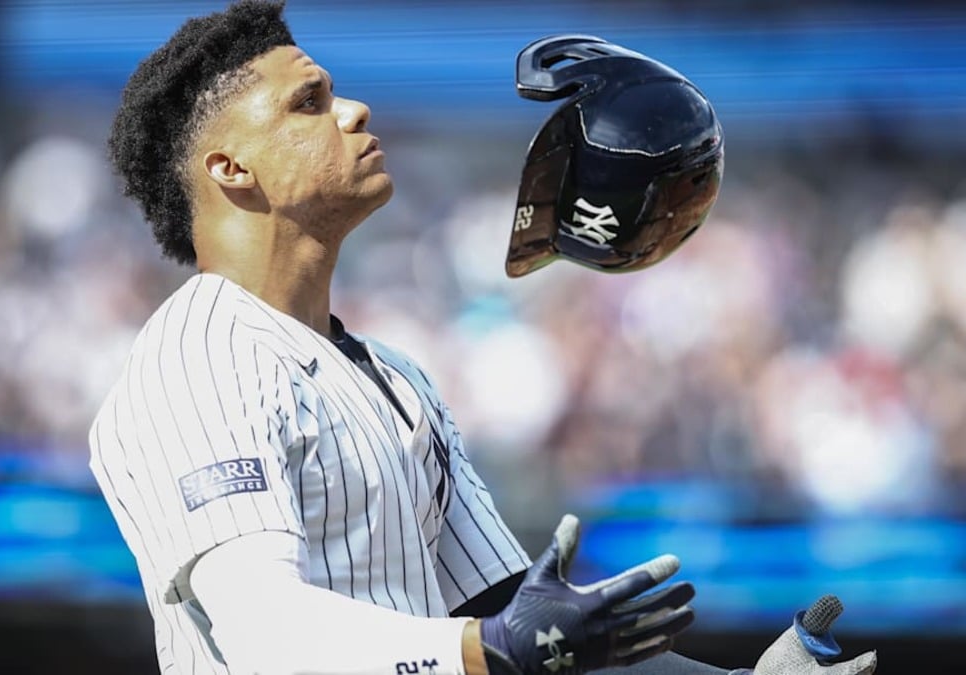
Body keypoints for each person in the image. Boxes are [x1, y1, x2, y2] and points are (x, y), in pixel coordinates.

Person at [88, 2, 876, 674]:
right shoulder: (197, 353)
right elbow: (261, 631)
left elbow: (513, 617)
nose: (353, 110)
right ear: (230, 167)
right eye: (308, 103)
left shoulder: (393, 376)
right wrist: (485, 649)